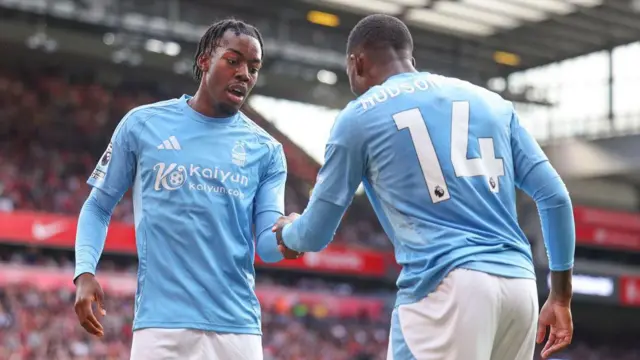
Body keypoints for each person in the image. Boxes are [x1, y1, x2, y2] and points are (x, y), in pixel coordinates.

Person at [273, 14, 575, 360]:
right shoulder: (492, 103)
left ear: (355, 63)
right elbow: (555, 197)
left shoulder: (358, 118)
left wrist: (287, 233)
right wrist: (561, 296)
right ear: (409, 59)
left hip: (445, 287)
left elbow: (315, 234)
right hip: (520, 287)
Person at [73, 18, 301, 360]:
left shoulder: (266, 150)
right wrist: (84, 272)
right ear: (205, 59)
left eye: (254, 68)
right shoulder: (142, 125)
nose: (245, 74)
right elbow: (98, 206)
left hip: (237, 330)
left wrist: (294, 235)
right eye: (234, 60)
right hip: (160, 326)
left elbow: (267, 247)